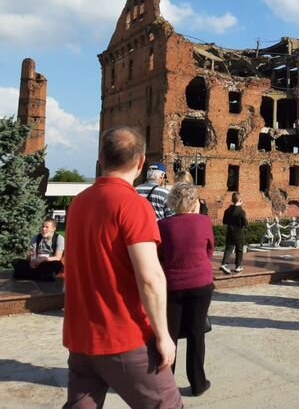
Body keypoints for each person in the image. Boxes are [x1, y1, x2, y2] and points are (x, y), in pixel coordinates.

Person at [62, 126, 181, 408]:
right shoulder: (133, 206)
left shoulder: (78, 204)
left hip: (80, 336)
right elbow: (150, 278)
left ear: (101, 159)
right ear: (141, 163)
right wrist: (164, 336)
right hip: (124, 336)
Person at [158, 182, 215, 397]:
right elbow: (209, 249)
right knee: (196, 333)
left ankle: (166, 385)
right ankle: (198, 382)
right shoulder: (204, 222)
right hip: (201, 282)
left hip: (172, 284)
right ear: (195, 201)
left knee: (169, 335)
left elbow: (160, 254)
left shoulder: (163, 225)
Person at [220, 193, 248, 274]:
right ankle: (238, 266)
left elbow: (224, 221)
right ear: (240, 200)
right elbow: (245, 223)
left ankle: (225, 264)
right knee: (239, 250)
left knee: (228, 249)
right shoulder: (241, 211)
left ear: (232, 200)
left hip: (230, 233)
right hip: (239, 234)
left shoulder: (227, 210)